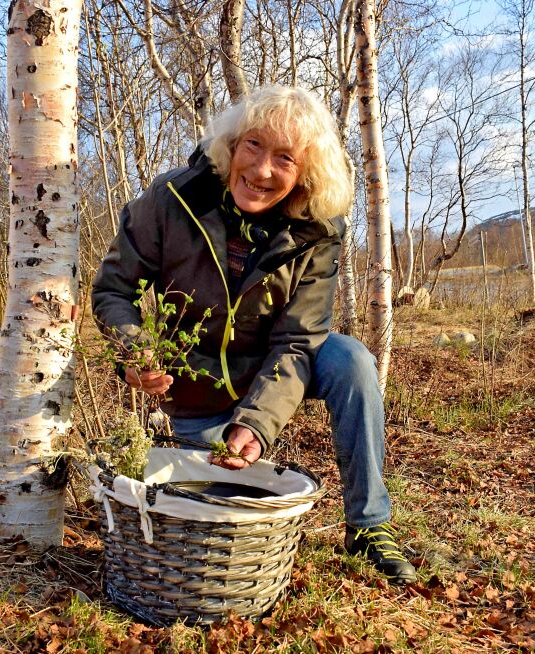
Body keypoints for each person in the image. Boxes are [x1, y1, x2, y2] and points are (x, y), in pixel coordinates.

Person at [91, 85, 417, 585]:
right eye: (253, 146)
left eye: (284, 158)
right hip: (195, 380)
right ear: (232, 146)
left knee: (350, 360)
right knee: (215, 516)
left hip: (274, 366)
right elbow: (115, 289)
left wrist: (258, 423)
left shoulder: (319, 230)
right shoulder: (172, 199)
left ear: (304, 173)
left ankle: (369, 526)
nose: (262, 170)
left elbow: (297, 340)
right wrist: (135, 350)